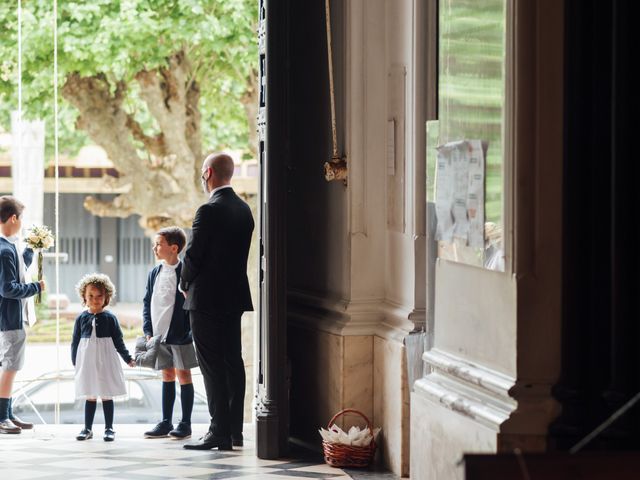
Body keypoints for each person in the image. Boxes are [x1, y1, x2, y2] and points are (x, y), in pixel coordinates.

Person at [181, 152, 254, 451]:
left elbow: (194, 254)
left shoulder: (208, 210)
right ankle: (234, 430)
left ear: (208, 173)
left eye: (202, 172)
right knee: (232, 362)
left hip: (207, 299)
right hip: (233, 296)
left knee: (211, 365)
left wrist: (184, 282)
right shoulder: (244, 209)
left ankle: (218, 431)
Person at [142, 226, 198, 440]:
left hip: (180, 335)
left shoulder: (184, 272)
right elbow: (147, 301)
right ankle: (166, 422)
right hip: (158, 335)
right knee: (167, 375)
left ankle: (185, 423)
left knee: (184, 375)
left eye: (158, 244)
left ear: (174, 248)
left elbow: (190, 303)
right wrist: (148, 329)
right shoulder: (154, 272)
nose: (154, 247)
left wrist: (186, 330)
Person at [71, 273, 135, 442]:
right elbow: (75, 341)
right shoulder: (81, 318)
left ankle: (109, 428)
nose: (95, 299)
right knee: (90, 394)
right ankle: (87, 428)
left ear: (106, 297)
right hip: (87, 361)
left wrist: (127, 358)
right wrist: (75, 362)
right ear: (84, 297)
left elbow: (118, 341)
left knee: (106, 393)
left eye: (99, 296)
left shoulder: (110, 318)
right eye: (90, 296)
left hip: (106, 359)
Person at [0, 196, 45, 434]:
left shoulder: (8, 246)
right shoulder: (4, 249)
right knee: (10, 367)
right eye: (21, 218)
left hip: (9, 319)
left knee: (11, 366)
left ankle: (6, 413)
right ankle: (2, 417)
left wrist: (31, 249)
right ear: (13, 218)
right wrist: (37, 287)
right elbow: (8, 288)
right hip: (9, 320)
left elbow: (17, 269)